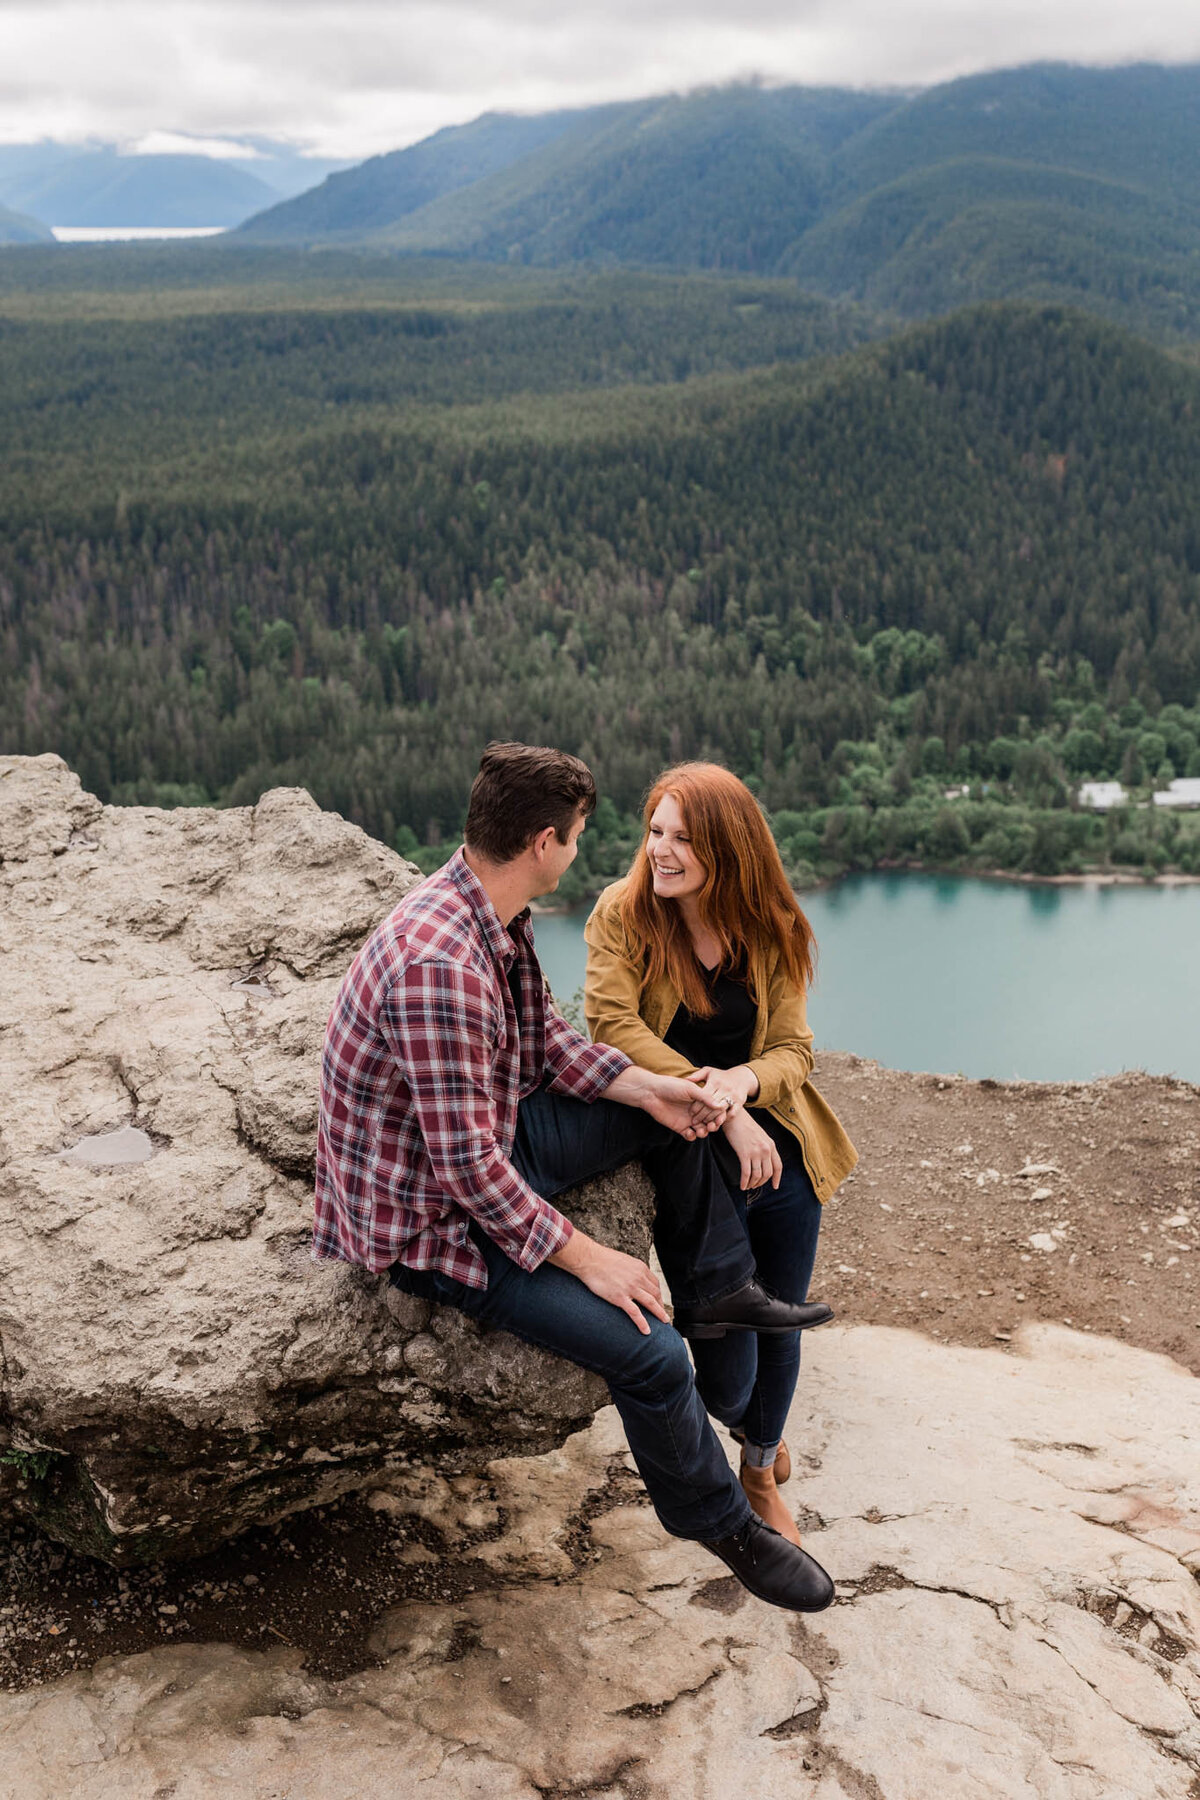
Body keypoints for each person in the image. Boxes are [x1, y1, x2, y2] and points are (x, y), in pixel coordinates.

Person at [314, 742, 836, 1612]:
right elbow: (468, 1173)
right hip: (431, 1220)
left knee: (668, 1116)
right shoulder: (442, 964)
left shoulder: (489, 909)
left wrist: (655, 1089)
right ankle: (726, 1523)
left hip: (497, 1138)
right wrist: (592, 1257)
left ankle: (717, 1287)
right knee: (651, 1353)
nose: (600, 852)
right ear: (544, 843)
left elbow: (551, 1043)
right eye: (583, 836)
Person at [584, 762, 857, 1545]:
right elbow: (614, 1030)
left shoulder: (770, 925)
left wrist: (742, 1082)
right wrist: (721, 1107)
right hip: (698, 1165)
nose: (661, 851)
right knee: (723, 1379)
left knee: (782, 1324)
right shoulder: (623, 913)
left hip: (784, 1164)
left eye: (682, 839)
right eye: (655, 831)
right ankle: (747, 1424)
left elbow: (792, 1050)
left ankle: (761, 1468)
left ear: (728, 850)